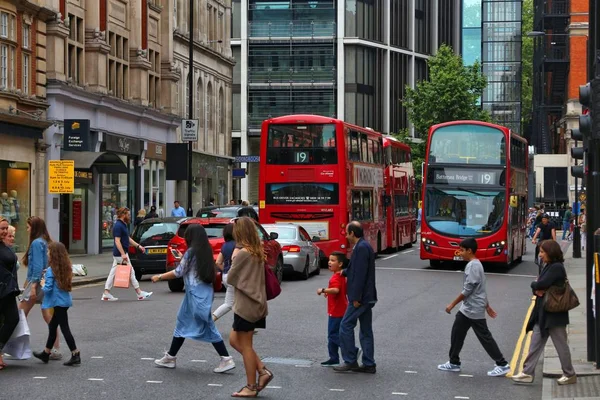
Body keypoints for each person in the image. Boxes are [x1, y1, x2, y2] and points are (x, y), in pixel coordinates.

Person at [150, 224, 235, 373]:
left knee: (208, 325)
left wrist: (159, 277)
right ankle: (170, 357)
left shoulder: (191, 253)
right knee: (182, 322)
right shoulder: (205, 250)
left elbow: (178, 272)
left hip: (197, 294)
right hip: (199, 293)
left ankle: (226, 359)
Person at [437, 238, 510, 377]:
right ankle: (454, 362)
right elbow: (481, 289)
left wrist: (452, 304)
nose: (460, 253)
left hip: (473, 309)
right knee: (457, 333)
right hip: (468, 308)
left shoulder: (473, 266)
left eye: (462, 250)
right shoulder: (475, 264)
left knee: (484, 337)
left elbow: (468, 290)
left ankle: (502, 364)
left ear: (469, 250)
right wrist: (487, 305)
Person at [512, 240, 576, 385]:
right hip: (543, 313)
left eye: (542, 252)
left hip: (554, 313)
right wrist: (538, 287)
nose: (540, 255)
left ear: (550, 252)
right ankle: (527, 372)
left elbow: (539, 284)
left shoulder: (556, 267)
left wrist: (536, 285)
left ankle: (570, 374)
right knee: (535, 343)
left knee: (561, 345)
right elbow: (539, 286)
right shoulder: (549, 266)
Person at [226, 217, 272, 397]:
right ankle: (262, 370)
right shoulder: (257, 250)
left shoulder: (243, 253)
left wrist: (233, 260)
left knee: (245, 346)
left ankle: (251, 386)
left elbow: (230, 278)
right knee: (233, 340)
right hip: (256, 303)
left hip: (246, 304)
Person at [334, 221, 377, 374]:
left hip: (361, 297)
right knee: (365, 330)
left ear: (352, 233)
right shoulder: (363, 246)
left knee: (345, 326)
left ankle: (350, 360)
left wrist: (356, 297)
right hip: (368, 295)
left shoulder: (361, 248)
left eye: (347, 232)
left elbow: (360, 275)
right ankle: (369, 363)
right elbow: (356, 269)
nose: (346, 235)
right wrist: (345, 272)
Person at [19, 216, 61, 359]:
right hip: (45, 282)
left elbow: (37, 266)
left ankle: (13, 348)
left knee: (19, 315)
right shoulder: (45, 242)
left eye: (28, 227)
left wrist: (32, 286)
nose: (27, 229)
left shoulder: (37, 243)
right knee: (48, 315)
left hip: (36, 283)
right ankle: (55, 349)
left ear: (34, 228)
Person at [33, 242, 81, 366]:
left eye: (49, 252)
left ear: (53, 254)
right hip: (64, 302)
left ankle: (75, 353)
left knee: (64, 328)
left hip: (57, 302)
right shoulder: (65, 267)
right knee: (53, 327)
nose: (48, 254)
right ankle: (46, 353)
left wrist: (43, 283)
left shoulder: (51, 270)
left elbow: (48, 288)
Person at [102, 207, 152, 301]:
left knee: (112, 273)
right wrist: (123, 254)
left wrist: (138, 246)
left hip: (121, 253)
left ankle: (106, 293)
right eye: (128, 215)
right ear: (123, 214)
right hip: (120, 254)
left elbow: (128, 239)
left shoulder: (123, 224)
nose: (129, 216)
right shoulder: (118, 226)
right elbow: (117, 241)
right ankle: (139, 293)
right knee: (131, 272)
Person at [317, 251, 348, 367]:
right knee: (333, 334)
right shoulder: (341, 275)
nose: (329, 262)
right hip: (341, 308)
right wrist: (329, 293)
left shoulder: (336, 277)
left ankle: (351, 350)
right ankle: (333, 357)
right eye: (329, 260)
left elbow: (336, 290)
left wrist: (323, 290)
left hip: (336, 310)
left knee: (333, 334)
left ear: (340, 264)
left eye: (333, 260)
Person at [0, 216, 19, 370]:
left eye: (6, 228)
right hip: (2, 289)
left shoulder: (3, 245)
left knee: (12, 319)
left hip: (8, 290)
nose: (5, 231)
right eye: (2, 228)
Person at [213, 223, 236, 321]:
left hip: (225, 276)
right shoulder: (237, 245)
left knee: (235, 302)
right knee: (230, 303)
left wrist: (226, 269)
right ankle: (211, 319)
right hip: (234, 276)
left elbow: (218, 262)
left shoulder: (225, 245)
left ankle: (245, 326)